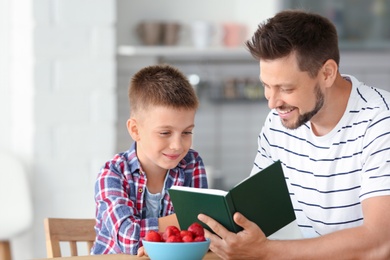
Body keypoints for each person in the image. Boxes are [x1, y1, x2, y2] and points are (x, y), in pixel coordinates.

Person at [198, 9, 390, 259]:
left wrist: (265, 252)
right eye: (266, 86)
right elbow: (252, 213)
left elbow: (380, 243)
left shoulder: (380, 122)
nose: (273, 102)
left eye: (286, 88)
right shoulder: (280, 122)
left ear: (327, 73)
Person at [91, 64, 208, 255]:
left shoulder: (191, 164)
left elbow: (198, 235)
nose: (177, 145)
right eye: (165, 133)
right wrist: (184, 220)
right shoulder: (112, 174)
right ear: (135, 130)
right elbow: (129, 239)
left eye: (187, 132)